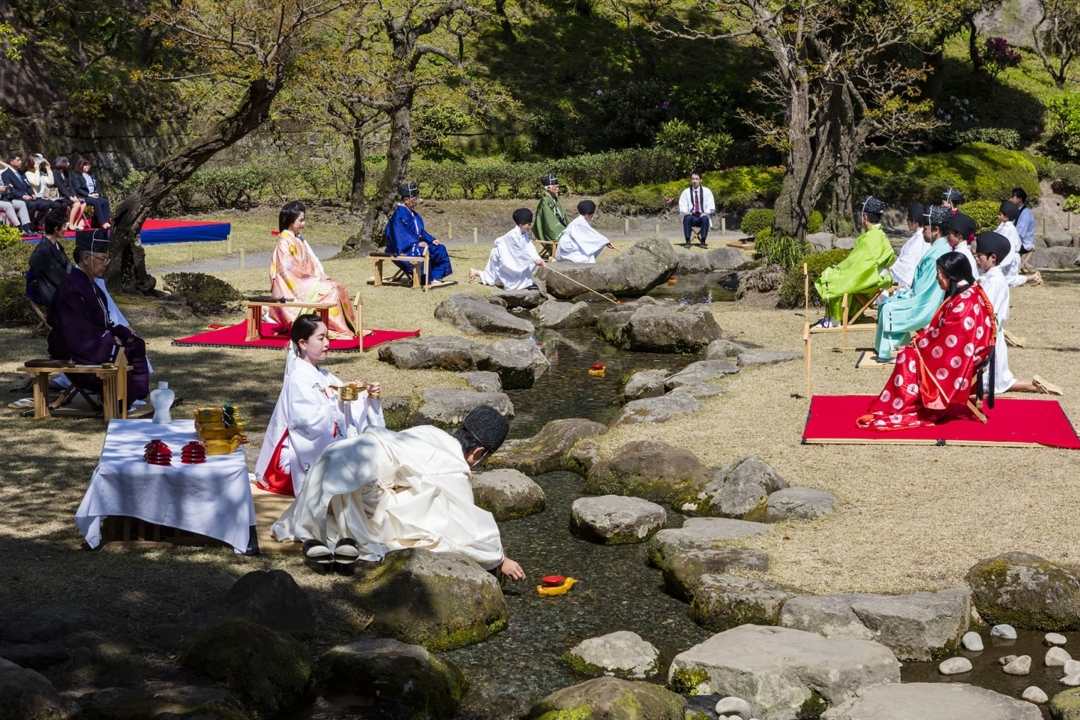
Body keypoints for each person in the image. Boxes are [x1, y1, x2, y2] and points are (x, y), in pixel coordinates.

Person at [271, 405, 527, 581]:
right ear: (479, 453)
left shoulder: (432, 432)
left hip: (330, 458)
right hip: (355, 482)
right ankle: (346, 539)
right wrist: (498, 558)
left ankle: (325, 536)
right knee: (433, 514)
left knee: (414, 493)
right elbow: (467, 525)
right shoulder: (455, 468)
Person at [857, 252, 996, 431]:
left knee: (907, 357)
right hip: (966, 350)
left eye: (940, 273)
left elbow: (953, 340)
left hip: (966, 356)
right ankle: (901, 403)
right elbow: (947, 335)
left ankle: (904, 406)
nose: (937, 277)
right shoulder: (967, 292)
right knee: (911, 351)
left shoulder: (964, 303)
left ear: (952, 275)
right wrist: (923, 340)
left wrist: (920, 344)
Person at [256, 314, 385, 498]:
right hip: (299, 457)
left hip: (327, 446)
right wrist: (338, 400)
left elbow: (339, 397)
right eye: (320, 338)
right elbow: (308, 424)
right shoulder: (298, 379)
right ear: (303, 343)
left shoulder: (324, 375)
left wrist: (365, 395)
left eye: (327, 337)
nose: (327, 343)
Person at [46, 229, 150, 403]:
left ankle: (136, 395)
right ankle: (122, 398)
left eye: (107, 260)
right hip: (73, 346)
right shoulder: (72, 287)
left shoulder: (92, 284)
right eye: (102, 259)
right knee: (114, 348)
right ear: (87, 259)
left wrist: (121, 332)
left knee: (135, 343)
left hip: (92, 339)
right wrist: (109, 338)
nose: (106, 264)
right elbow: (75, 328)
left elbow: (103, 320)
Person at [974, 232, 1062, 397]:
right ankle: (1033, 385)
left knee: (993, 383)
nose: (977, 259)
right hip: (991, 335)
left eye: (979, 255)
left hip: (989, 336)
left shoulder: (995, 280)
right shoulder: (989, 277)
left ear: (992, 257)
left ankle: (1034, 385)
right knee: (1000, 382)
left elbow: (986, 310)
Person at [873, 205, 953, 362]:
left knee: (890, 307)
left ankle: (887, 351)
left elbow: (926, 289)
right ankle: (891, 348)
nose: (923, 230)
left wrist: (908, 295)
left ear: (936, 230)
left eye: (926, 227)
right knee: (888, 304)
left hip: (926, 301)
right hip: (922, 295)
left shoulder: (937, 253)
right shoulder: (939, 248)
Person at [269, 201, 358, 339]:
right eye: (301, 220)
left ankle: (344, 327)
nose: (303, 223)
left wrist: (319, 276)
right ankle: (335, 328)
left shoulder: (298, 239)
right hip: (293, 286)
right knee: (331, 291)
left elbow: (312, 262)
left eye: (304, 220)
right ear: (290, 220)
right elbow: (287, 271)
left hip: (305, 280)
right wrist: (313, 280)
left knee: (338, 286)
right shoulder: (284, 242)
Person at [812, 196, 896, 328]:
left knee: (833, 277)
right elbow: (861, 261)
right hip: (880, 277)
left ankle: (834, 319)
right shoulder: (879, 235)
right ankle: (844, 314)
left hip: (873, 278)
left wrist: (841, 268)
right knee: (839, 274)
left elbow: (861, 263)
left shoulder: (872, 237)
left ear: (865, 218)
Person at [384, 181, 453, 286]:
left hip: (414, 243)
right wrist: (415, 244)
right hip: (402, 248)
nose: (416, 201)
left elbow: (420, 231)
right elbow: (399, 236)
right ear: (406, 200)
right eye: (414, 199)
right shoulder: (398, 216)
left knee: (440, 248)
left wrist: (431, 239)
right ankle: (423, 278)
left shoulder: (412, 214)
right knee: (422, 251)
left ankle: (435, 276)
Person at [470, 208, 546, 289]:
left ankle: (475, 272)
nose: (530, 227)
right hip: (502, 257)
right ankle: (521, 284)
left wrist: (538, 258)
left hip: (510, 256)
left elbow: (529, 247)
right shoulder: (512, 235)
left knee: (496, 279)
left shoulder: (524, 234)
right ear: (521, 224)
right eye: (529, 224)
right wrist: (533, 260)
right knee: (497, 277)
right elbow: (518, 253)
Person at [2, 152, 60, 233]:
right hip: (17, 197)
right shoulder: (6, 174)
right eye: (18, 160)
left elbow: (28, 186)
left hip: (29, 197)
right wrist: (23, 196)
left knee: (46, 204)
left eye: (21, 160)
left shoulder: (21, 173)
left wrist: (32, 194)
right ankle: (27, 227)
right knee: (32, 204)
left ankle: (36, 224)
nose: (20, 162)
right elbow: (10, 190)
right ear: (11, 161)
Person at [27, 210, 72, 308]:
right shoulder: (43, 250)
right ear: (56, 229)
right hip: (50, 290)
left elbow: (68, 265)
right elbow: (57, 275)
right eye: (64, 225)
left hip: (58, 285)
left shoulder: (55, 245)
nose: (66, 228)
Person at [994, 200, 1041, 287]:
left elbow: (1009, 246)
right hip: (1006, 256)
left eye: (1000, 214)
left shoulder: (1010, 228)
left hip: (1011, 257)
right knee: (1000, 279)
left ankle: (1033, 277)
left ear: (1007, 216)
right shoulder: (1003, 226)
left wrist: (1004, 262)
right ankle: (1033, 277)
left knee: (1008, 280)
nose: (998, 217)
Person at [886, 202, 930, 291]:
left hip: (905, 282)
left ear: (915, 222)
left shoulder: (919, 239)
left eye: (908, 220)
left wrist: (892, 268)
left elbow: (908, 264)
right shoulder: (919, 237)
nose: (907, 222)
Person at [533, 173, 568, 260]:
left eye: (558, 187)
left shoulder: (555, 199)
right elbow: (549, 221)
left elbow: (563, 216)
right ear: (548, 188)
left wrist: (570, 227)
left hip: (557, 225)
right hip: (547, 229)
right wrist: (560, 230)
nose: (558, 189)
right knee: (564, 238)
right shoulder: (544, 201)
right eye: (555, 187)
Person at [70, 157, 111, 229]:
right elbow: (78, 189)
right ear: (80, 165)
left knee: (105, 202)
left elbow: (96, 186)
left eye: (88, 165)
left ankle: (106, 221)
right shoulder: (76, 176)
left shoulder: (91, 175)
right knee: (96, 202)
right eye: (85, 165)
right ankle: (102, 223)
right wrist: (89, 195)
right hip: (84, 196)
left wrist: (97, 193)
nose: (87, 167)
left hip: (93, 195)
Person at [679, 172, 715, 249]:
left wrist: (706, 212)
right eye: (693, 179)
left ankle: (703, 241)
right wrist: (686, 211)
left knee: (705, 219)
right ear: (690, 180)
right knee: (687, 218)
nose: (694, 181)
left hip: (702, 215)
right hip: (692, 215)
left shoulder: (707, 191)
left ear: (700, 180)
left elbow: (710, 204)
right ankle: (688, 241)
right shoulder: (686, 192)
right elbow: (682, 203)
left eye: (696, 179)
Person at [53, 156, 87, 230]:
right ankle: (70, 224)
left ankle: (75, 223)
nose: (68, 164)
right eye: (67, 162)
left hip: (68, 196)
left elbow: (70, 185)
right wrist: (70, 197)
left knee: (83, 203)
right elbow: (60, 187)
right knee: (77, 204)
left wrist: (74, 195)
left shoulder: (66, 173)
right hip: (60, 196)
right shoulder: (55, 172)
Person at [945, 211, 979, 280]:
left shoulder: (960, 253)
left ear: (959, 235)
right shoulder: (963, 250)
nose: (948, 236)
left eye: (950, 233)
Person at [1011, 187, 1035, 263]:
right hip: (1016, 241)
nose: (1010, 199)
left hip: (1024, 244)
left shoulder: (1026, 214)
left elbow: (1020, 233)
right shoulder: (1016, 211)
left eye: (1012, 197)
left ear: (1019, 199)